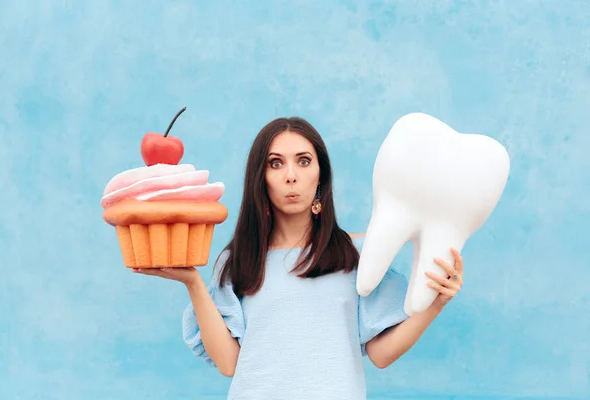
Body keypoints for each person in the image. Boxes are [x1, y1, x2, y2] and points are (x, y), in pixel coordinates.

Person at [132, 117, 465, 400]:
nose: (290, 175)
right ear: (260, 179)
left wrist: (435, 305)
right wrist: (192, 282)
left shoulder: (357, 255)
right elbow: (229, 364)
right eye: (275, 163)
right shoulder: (238, 261)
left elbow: (379, 354)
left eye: (303, 161)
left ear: (320, 174)